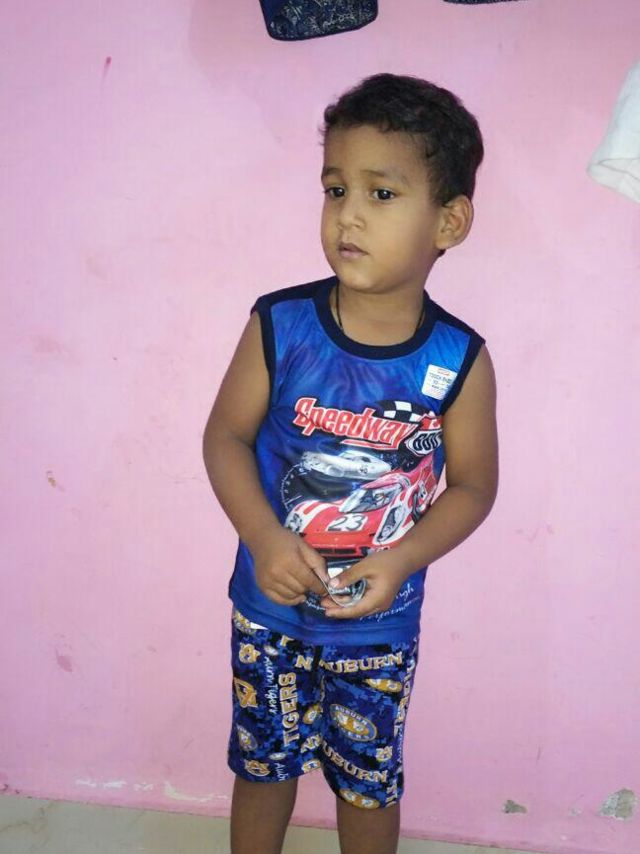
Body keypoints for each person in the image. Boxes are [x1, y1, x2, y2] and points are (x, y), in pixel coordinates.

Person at [202, 72, 499, 854]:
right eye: (335, 189)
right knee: (262, 766)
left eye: (382, 193)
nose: (349, 214)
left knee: (369, 781)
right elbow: (225, 437)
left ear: (450, 220)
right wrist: (264, 539)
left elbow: (473, 487)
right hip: (268, 611)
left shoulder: (458, 360)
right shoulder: (280, 324)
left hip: (380, 622)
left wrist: (401, 560)